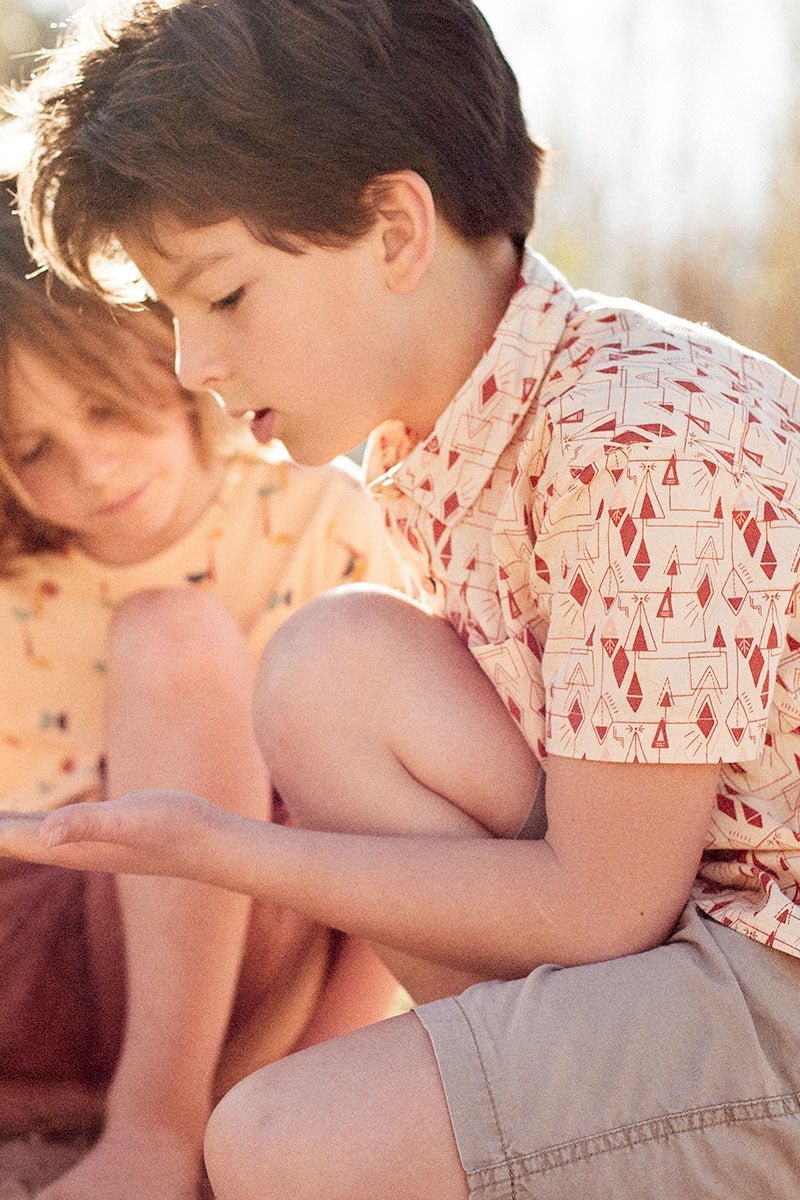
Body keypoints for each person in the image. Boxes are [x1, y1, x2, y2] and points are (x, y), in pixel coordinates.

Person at [4, 0, 800, 1197]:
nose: (191, 367)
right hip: (693, 925)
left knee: (285, 1141)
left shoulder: (638, 434)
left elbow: (596, 903)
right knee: (332, 668)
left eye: (220, 299)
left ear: (391, 227)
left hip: (771, 962)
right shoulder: (454, 442)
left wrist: (224, 850)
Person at [0, 194, 406, 1200]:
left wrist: (323, 1079)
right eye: (30, 448)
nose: (87, 467)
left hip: (258, 951)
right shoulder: (16, 578)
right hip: (35, 950)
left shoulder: (321, 517)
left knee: (181, 638)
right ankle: (142, 1124)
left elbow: (416, 839)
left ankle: (163, 1127)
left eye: (101, 405)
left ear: (170, 345)